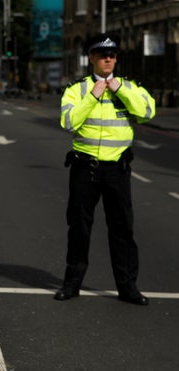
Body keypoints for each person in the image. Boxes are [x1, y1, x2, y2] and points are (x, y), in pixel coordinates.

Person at [55, 34, 155, 305]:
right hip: (84, 167)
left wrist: (119, 89)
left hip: (117, 169)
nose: (108, 59)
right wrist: (93, 96)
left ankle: (127, 287)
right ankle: (71, 284)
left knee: (122, 229)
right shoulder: (77, 89)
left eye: (112, 54)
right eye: (102, 54)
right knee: (79, 227)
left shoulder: (130, 86)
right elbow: (68, 122)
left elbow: (147, 112)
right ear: (91, 58)